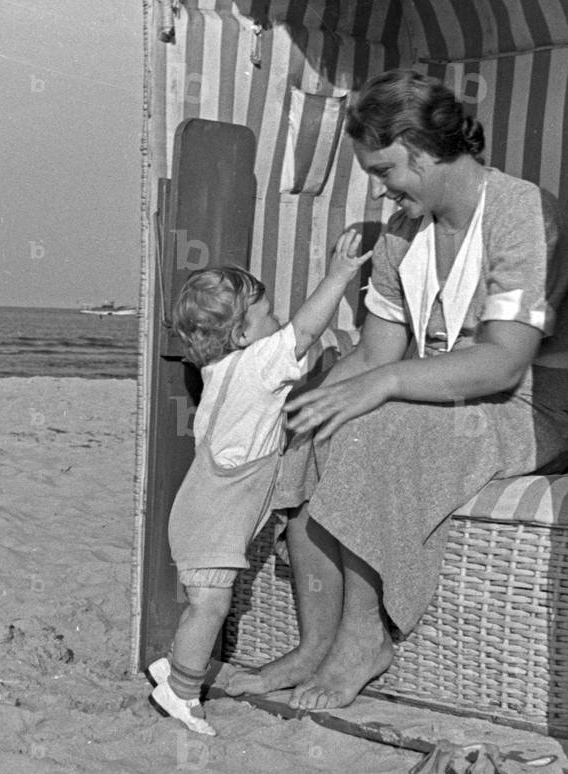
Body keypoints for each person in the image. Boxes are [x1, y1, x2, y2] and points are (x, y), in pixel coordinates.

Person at [226, 68, 568, 712]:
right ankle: (311, 643)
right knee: (311, 435)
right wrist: (292, 414)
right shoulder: (405, 234)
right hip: (448, 394)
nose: (382, 192)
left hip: (532, 403)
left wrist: (381, 387)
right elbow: (375, 353)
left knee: (375, 429)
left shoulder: (522, 211)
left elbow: (501, 364)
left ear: (425, 150)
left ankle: (365, 639)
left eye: (386, 172)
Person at [147, 231, 372, 735]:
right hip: (213, 522)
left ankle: (174, 667)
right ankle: (182, 694)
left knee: (203, 605)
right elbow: (305, 332)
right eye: (268, 316)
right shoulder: (255, 366)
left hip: (200, 513)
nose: (277, 322)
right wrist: (338, 275)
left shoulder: (221, 368)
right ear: (245, 336)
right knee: (211, 606)